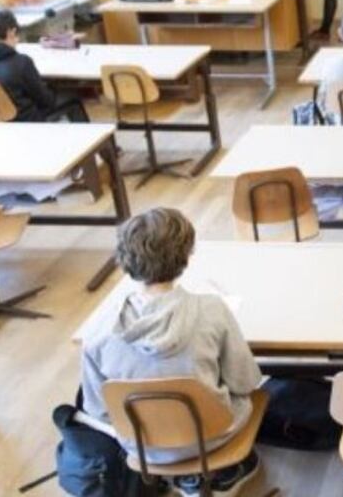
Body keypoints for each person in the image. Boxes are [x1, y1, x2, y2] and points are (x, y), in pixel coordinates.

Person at [80, 208, 262, 496]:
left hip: (145, 446)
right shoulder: (212, 309)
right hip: (213, 435)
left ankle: (187, 478)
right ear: (186, 256)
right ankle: (219, 470)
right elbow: (245, 381)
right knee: (251, 393)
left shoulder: (97, 332)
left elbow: (98, 410)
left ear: (124, 260)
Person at [0, 7, 89, 123]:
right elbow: (46, 101)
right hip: (24, 123)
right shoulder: (21, 62)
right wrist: (52, 87)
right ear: (11, 32)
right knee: (72, 97)